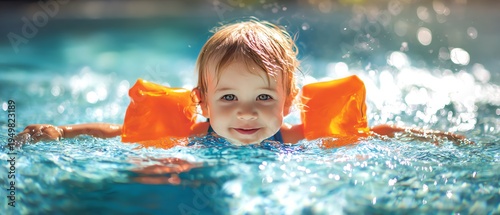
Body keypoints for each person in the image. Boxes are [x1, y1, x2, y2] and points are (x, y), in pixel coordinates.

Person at [16, 18, 470, 146]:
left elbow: (377, 132)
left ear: (289, 101)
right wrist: (63, 131)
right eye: (228, 96)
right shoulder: (190, 136)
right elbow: (119, 132)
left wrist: (433, 137)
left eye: (264, 97)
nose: (246, 111)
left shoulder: (295, 137)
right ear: (204, 103)